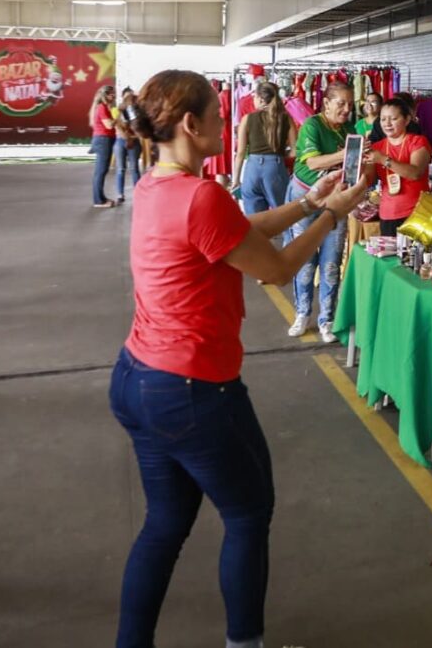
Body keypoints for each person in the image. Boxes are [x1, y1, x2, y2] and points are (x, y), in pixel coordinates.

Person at [111, 69, 366, 648]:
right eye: (219, 116)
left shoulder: (159, 184)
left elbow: (239, 231)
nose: (229, 123)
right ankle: (243, 641)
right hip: (191, 389)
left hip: (138, 378)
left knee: (166, 523)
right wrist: (332, 215)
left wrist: (307, 202)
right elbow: (275, 269)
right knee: (249, 514)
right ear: (191, 124)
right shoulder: (199, 194)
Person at [284, 82, 355, 343]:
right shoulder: (313, 126)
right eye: (341, 103)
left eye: (350, 104)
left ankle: (327, 319)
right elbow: (313, 162)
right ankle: (302, 313)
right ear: (326, 104)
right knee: (304, 261)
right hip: (305, 197)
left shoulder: (349, 129)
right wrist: (347, 154)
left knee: (331, 262)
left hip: (335, 200)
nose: (347, 109)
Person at [363, 98, 432, 237]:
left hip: (417, 212)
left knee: (416, 257)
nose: (387, 123)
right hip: (388, 214)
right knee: (390, 258)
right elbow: (368, 180)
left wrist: (383, 159)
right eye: (383, 119)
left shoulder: (418, 142)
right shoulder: (376, 147)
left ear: (407, 120)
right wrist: (354, 161)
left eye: (393, 118)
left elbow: (415, 173)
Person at [232, 82, 295, 216]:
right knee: (283, 217)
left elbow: (240, 153)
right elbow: (295, 150)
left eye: (254, 97)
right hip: (275, 168)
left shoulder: (247, 119)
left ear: (260, 99)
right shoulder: (286, 119)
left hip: (252, 169)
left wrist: (236, 180)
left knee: (254, 221)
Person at [112, 87, 142, 204]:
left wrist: (133, 137)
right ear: (123, 97)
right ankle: (120, 194)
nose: (129, 99)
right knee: (120, 169)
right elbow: (116, 125)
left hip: (134, 141)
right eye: (127, 96)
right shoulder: (117, 110)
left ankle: (138, 193)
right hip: (121, 140)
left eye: (131, 96)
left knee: (134, 168)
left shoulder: (137, 110)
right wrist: (127, 137)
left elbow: (139, 127)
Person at [90, 84, 117, 208]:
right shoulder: (102, 108)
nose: (114, 96)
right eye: (112, 94)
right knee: (100, 171)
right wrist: (119, 117)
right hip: (103, 140)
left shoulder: (104, 107)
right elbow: (109, 125)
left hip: (104, 140)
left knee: (102, 170)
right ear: (105, 95)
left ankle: (101, 197)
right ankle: (98, 201)